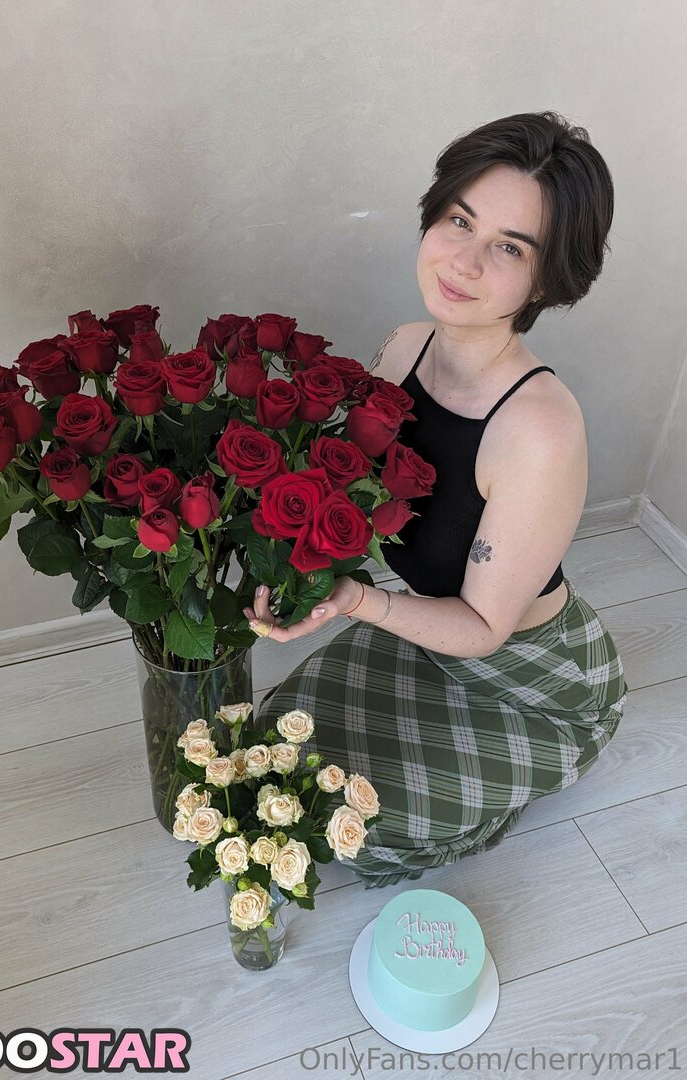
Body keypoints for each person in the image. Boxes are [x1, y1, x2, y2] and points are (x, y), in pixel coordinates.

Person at [245, 111, 629, 889]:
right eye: (459, 220)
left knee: (344, 826)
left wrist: (354, 600)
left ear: (546, 280)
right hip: (425, 632)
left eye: (509, 247)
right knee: (266, 752)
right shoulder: (404, 345)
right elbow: (344, 494)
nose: (464, 260)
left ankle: (516, 786)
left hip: (531, 680)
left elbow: (484, 629)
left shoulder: (538, 429)